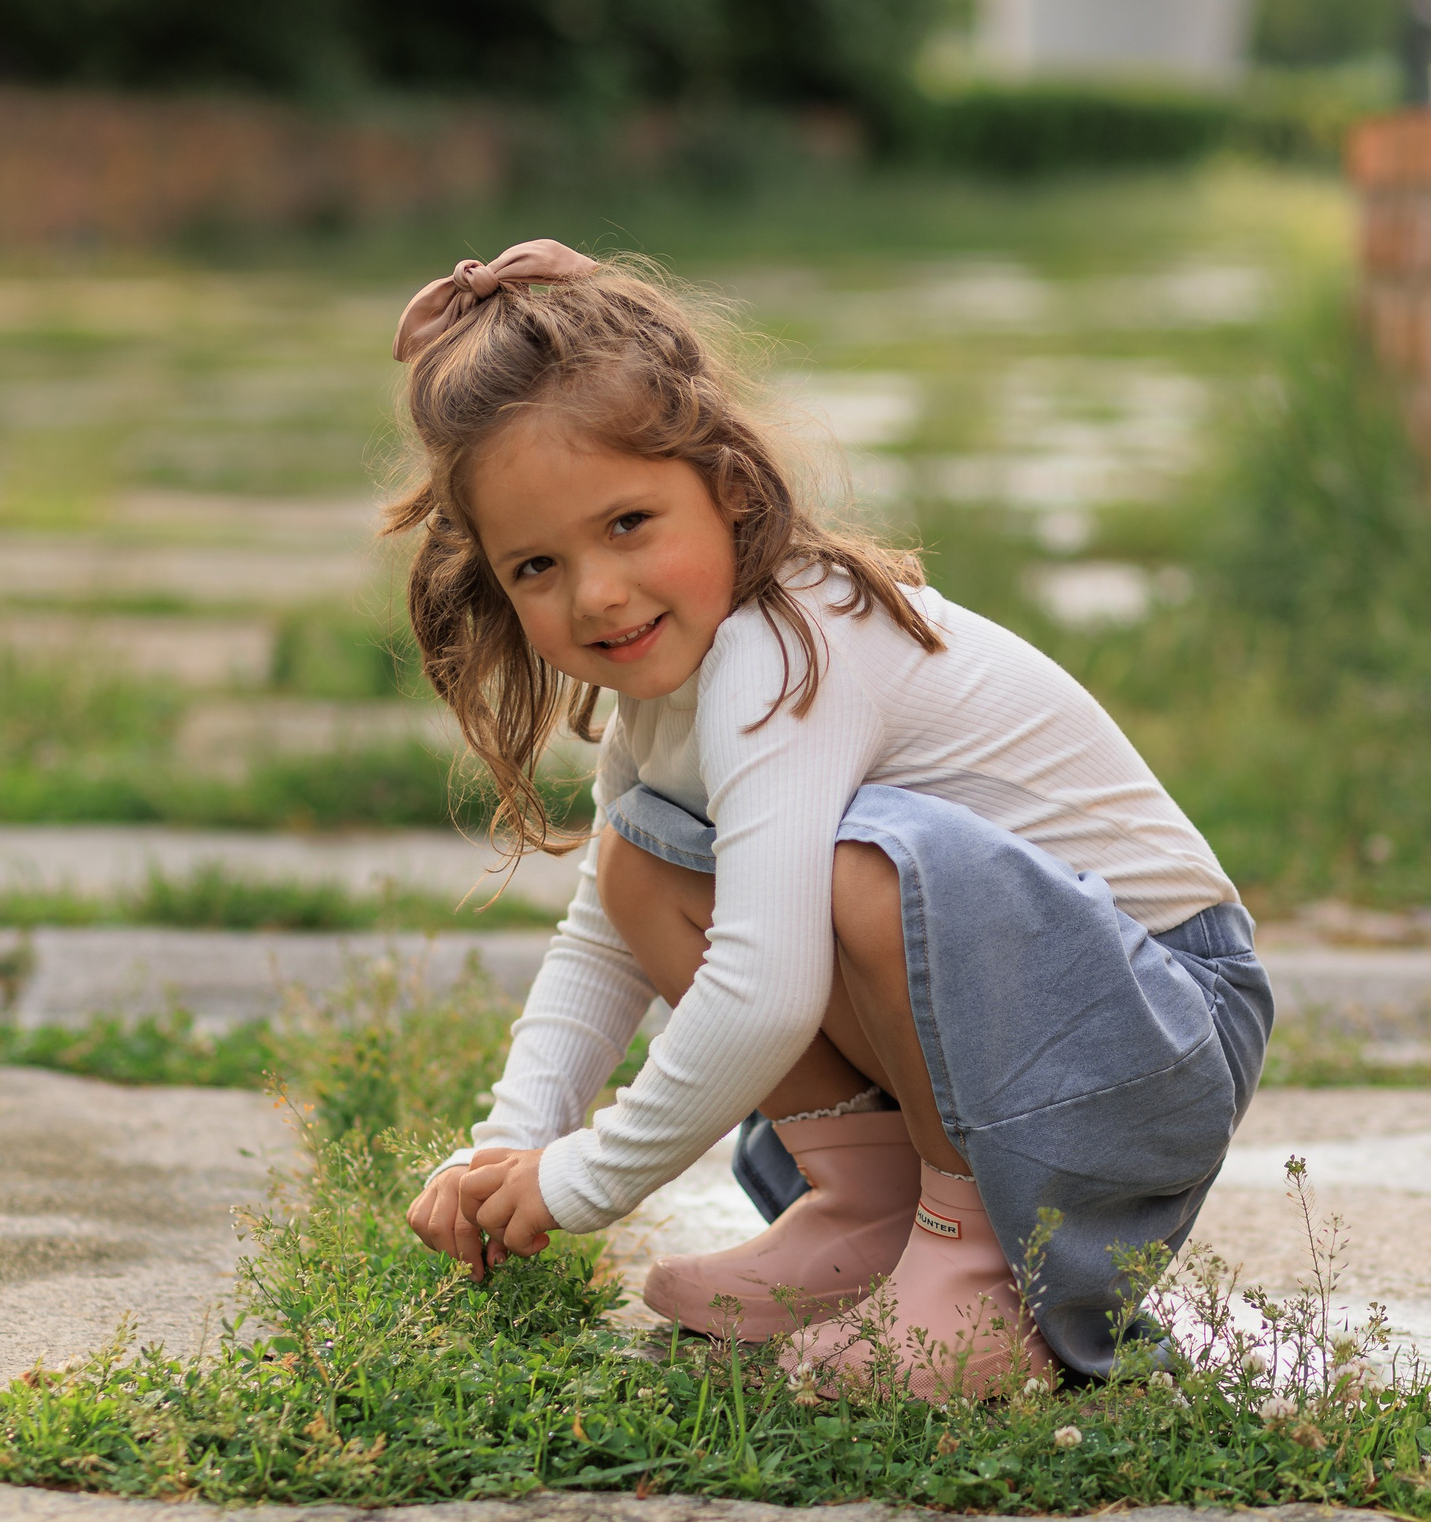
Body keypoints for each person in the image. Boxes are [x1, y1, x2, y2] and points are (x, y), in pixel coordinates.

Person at [388, 241, 1270, 1397]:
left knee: (863, 871)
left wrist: (581, 1180)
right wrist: (510, 1143)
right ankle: (868, 1209)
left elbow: (762, 991)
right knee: (640, 865)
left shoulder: (781, 646)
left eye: (630, 523)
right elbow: (607, 936)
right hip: (1049, 1024)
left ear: (730, 488)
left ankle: (979, 1267)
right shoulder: (669, 683)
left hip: (1157, 1028)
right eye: (536, 566)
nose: (595, 593)